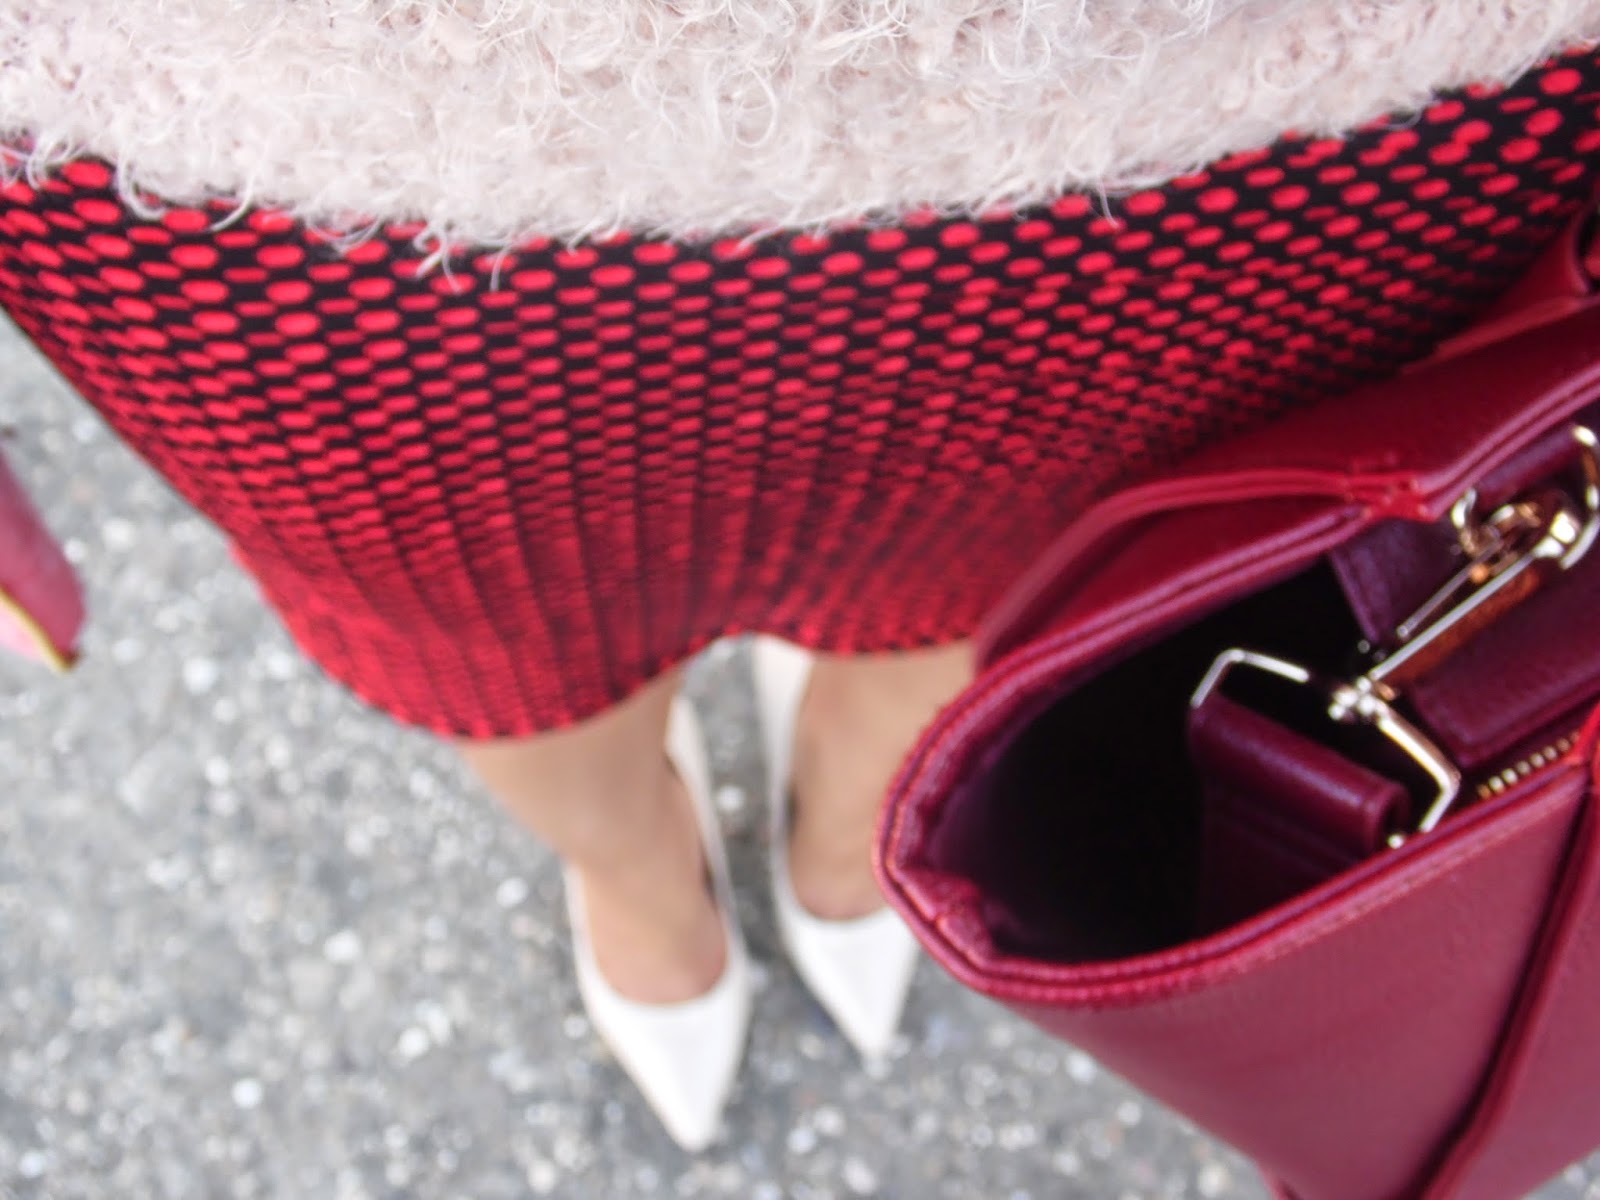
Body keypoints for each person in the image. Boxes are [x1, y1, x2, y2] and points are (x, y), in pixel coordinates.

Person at [2, 0, 1599, 1152]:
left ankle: (853, 828)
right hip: (295, 132)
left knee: (1017, 564)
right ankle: (642, 873)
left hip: (1243, 88)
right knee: (489, 642)